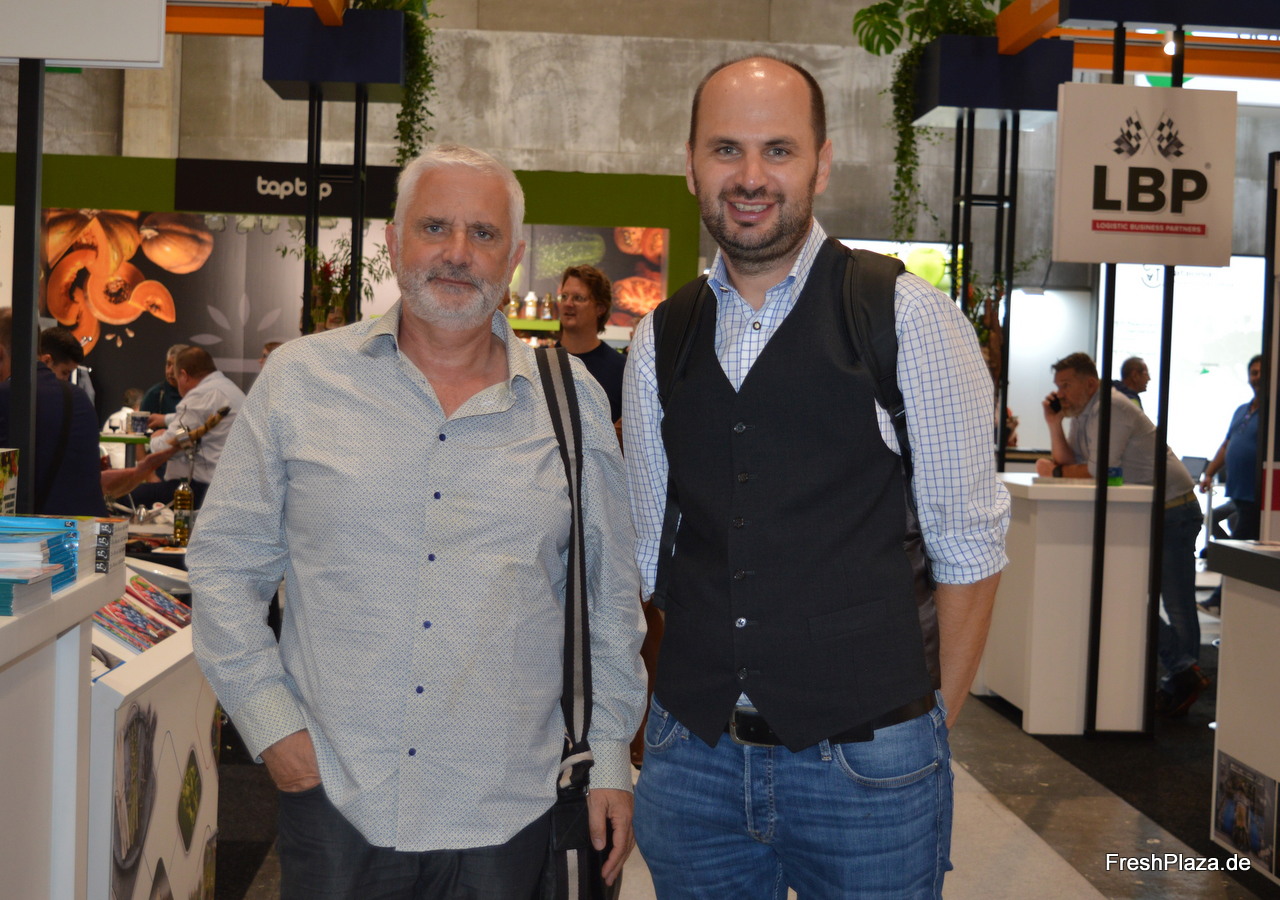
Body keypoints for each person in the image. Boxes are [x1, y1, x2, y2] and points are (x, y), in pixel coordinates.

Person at [188, 143, 646, 899]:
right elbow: (225, 566)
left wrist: (611, 760)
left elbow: (609, 599)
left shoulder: (571, 405)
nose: (458, 253)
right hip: (339, 802)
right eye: (435, 227)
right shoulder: (301, 381)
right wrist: (275, 731)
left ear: (514, 257)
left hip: (513, 809)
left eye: (483, 233)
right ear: (395, 242)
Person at [622, 56, 1009, 897]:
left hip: (868, 764)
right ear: (691, 164)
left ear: (822, 164)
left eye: (779, 150)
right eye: (726, 149)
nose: (750, 177)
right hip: (693, 765)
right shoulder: (662, 336)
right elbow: (651, 556)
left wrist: (927, 731)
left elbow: (970, 551)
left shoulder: (904, 316)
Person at [1034, 352, 1207, 716]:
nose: (1060, 393)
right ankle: (1183, 674)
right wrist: (1054, 424)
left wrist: (1057, 473)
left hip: (1173, 509)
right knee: (1134, 596)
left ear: (1089, 384)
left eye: (1066, 385)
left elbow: (1097, 471)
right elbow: (1067, 462)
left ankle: (1183, 680)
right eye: (1058, 386)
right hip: (1146, 512)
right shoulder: (1084, 414)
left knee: (1175, 601)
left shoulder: (1111, 408)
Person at [0, 312, 170, 514]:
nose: (65, 378)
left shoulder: (9, 396)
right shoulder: (78, 398)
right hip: (81, 527)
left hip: (31, 529)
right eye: (65, 372)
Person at [146, 346, 246, 508]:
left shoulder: (200, 395)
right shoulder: (226, 387)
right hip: (229, 486)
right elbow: (200, 420)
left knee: (123, 496)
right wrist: (166, 420)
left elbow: (167, 447)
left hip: (201, 488)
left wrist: (155, 439)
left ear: (184, 375)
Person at [1200, 355, 1263, 543]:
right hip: (1237, 493)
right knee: (1238, 541)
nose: (1258, 377)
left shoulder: (1273, 412)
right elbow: (1226, 445)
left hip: (1257, 495)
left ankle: (1223, 556)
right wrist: (1209, 474)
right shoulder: (1241, 410)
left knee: (1241, 542)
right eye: (1254, 373)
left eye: (1262, 373)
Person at [557, 265, 626, 424]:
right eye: (564, 296)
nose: (568, 303)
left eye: (578, 298)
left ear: (600, 308)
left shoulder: (621, 369)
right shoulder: (538, 362)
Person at [139, 343, 189, 417]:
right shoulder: (154, 395)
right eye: (168, 364)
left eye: (176, 366)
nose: (170, 371)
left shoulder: (199, 395)